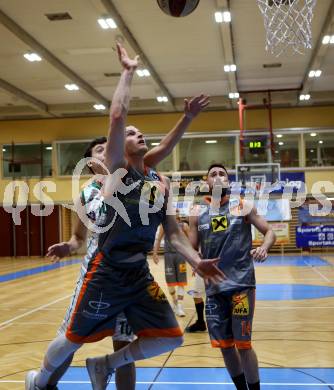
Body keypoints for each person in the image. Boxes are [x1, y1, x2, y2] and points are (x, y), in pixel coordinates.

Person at [25, 44, 223, 390]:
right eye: (130, 133)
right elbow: (117, 117)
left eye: (139, 132)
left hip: (137, 272)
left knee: (169, 338)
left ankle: (104, 366)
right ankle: (40, 381)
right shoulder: (116, 175)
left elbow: (175, 234)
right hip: (105, 270)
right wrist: (128, 72)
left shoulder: (159, 182)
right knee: (71, 337)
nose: (137, 134)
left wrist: (197, 260)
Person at [189, 163, 276, 390]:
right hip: (214, 288)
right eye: (213, 174)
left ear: (229, 181)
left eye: (222, 174)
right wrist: (195, 261)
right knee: (225, 346)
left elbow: (270, 232)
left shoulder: (243, 207)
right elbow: (191, 248)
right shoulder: (197, 213)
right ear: (206, 182)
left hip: (241, 285)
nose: (218, 178)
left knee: (243, 345)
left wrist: (264, 247)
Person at [153, 210, 189, 317]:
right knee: (170, 282)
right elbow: (158, 240)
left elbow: (190, 240)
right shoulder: (164, 226)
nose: (174, 213)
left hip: (180, 255)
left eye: (176, 212)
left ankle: (180, 305)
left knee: (182, 281)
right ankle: (175, 303)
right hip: (168, 255)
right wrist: (155, 253)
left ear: (178, 215)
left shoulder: (184, 226)